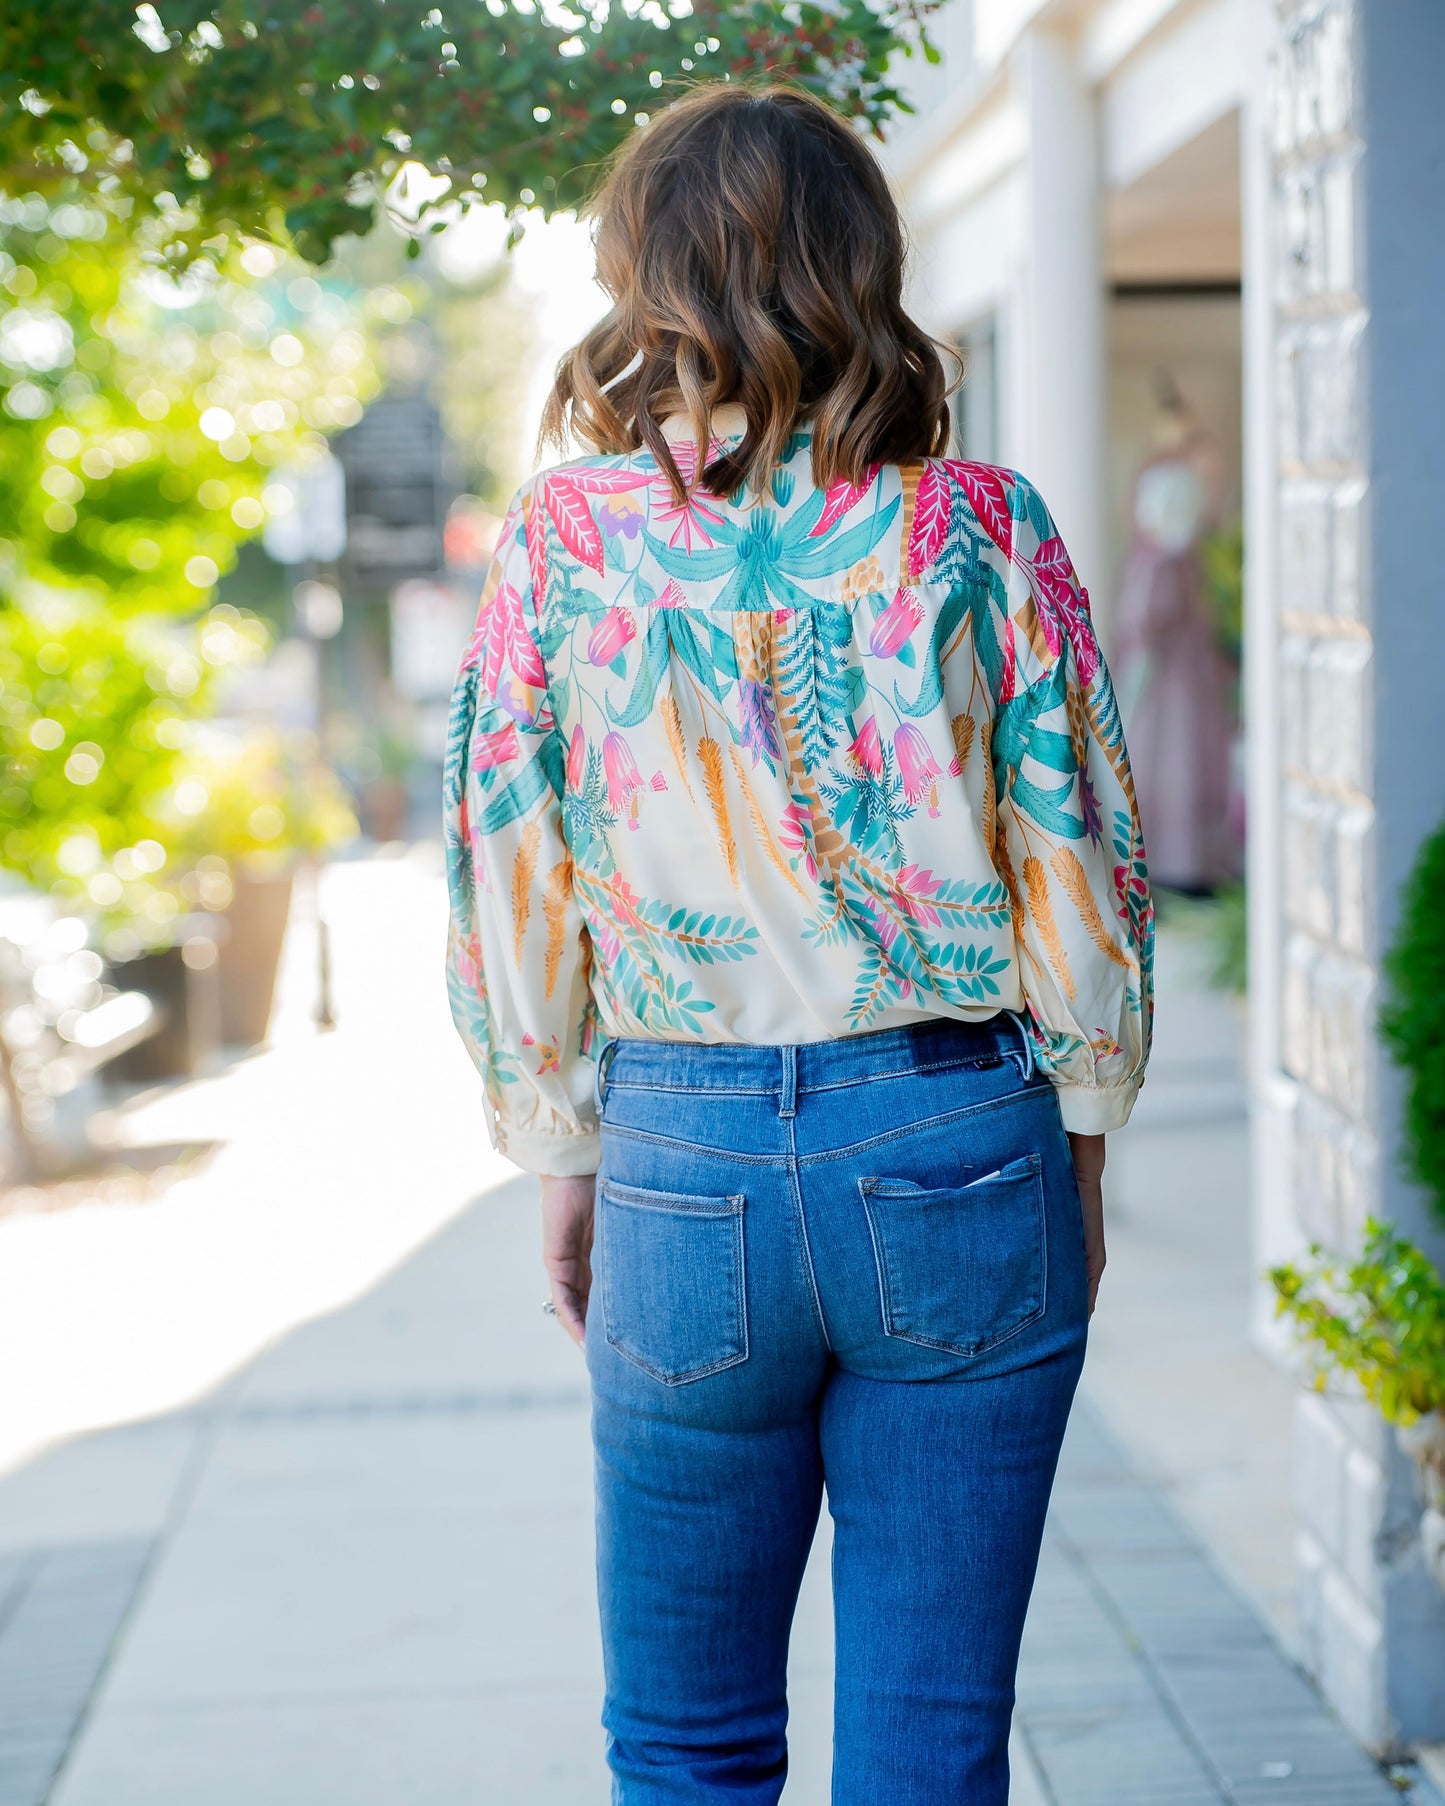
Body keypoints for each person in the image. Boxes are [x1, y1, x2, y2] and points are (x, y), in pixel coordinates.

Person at [444, 80, 1154, 1806]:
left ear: (643, 276)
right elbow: (1081, 853)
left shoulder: (560, 543)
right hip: (954, 1133)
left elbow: (507, 870)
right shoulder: (982, 528)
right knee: (927, 1742)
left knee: (685, 1748)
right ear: (867, 264)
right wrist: (1076, 1134)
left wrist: (561, 1149)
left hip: (681, 1151)